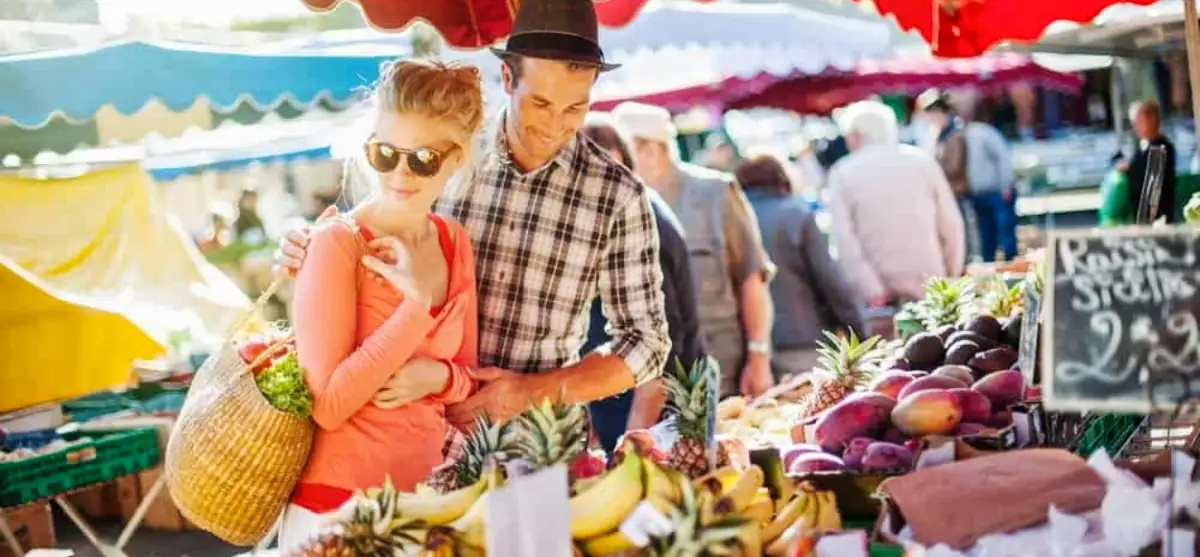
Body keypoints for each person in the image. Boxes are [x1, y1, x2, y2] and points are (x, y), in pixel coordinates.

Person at [275, 0, 670, 432]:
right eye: (540, 103)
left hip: (537, 442)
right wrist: (307, 253)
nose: (556, 125)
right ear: (506, 77)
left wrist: (531, 391)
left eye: (575, 108)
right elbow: (366, 232)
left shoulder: (618, 195)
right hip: (420, 433)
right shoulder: (446, 151)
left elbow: (647, 344)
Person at [280, 60, 484, 552]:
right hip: (340, 516)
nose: (399, 174)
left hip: (429, 509)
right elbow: (327, 406)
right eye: (384, 153)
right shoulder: (337, 244)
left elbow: (468, 378)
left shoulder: (454, 241)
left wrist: (440, 379)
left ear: (456, 159)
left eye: (422, 160)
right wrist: (414, 310)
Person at [612, 101, 775, 399]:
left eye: (623, 150)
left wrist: (759, 355)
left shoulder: (715, 192)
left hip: (723, 370)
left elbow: (752, 277)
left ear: (650, 149)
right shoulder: (620, 205)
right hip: (649, 383)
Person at [580, 113, 706, 451]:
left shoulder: (643, 221)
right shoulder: (618, 215)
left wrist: (633, 442)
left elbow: (662, 342)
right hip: (624, 413)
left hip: (658, 424)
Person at [825, 100, 965, 305]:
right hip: (930, 282)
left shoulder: (842, 172)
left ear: (855, 136)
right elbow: (951, 224)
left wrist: (870, 288)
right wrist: (950, 273)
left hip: (879, 296)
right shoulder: (922, 162)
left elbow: (843, 240)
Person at [737, 155, 865, 378]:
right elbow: (830, 280)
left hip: (748, 349)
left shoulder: (732, 220)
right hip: (801, 342)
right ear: (783, 180)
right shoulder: (796, 215)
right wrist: (857, 330)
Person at [963, 118, 1018, 261]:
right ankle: (990, 264)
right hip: (977, 193)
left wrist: (1006, 184)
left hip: (996, 191)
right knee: (985, 234)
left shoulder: (984, 133)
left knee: (1005, 230)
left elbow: (1003, 158)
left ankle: (1011, 263)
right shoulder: (955, 136)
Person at [1122, 99, 1178, 223]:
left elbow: (1154, 185)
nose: (1135, 126)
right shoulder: (1142, 146)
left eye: (1139, 121)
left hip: (1157, 219)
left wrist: (1130, 169)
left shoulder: (1162, 148)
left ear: (1152, 119)